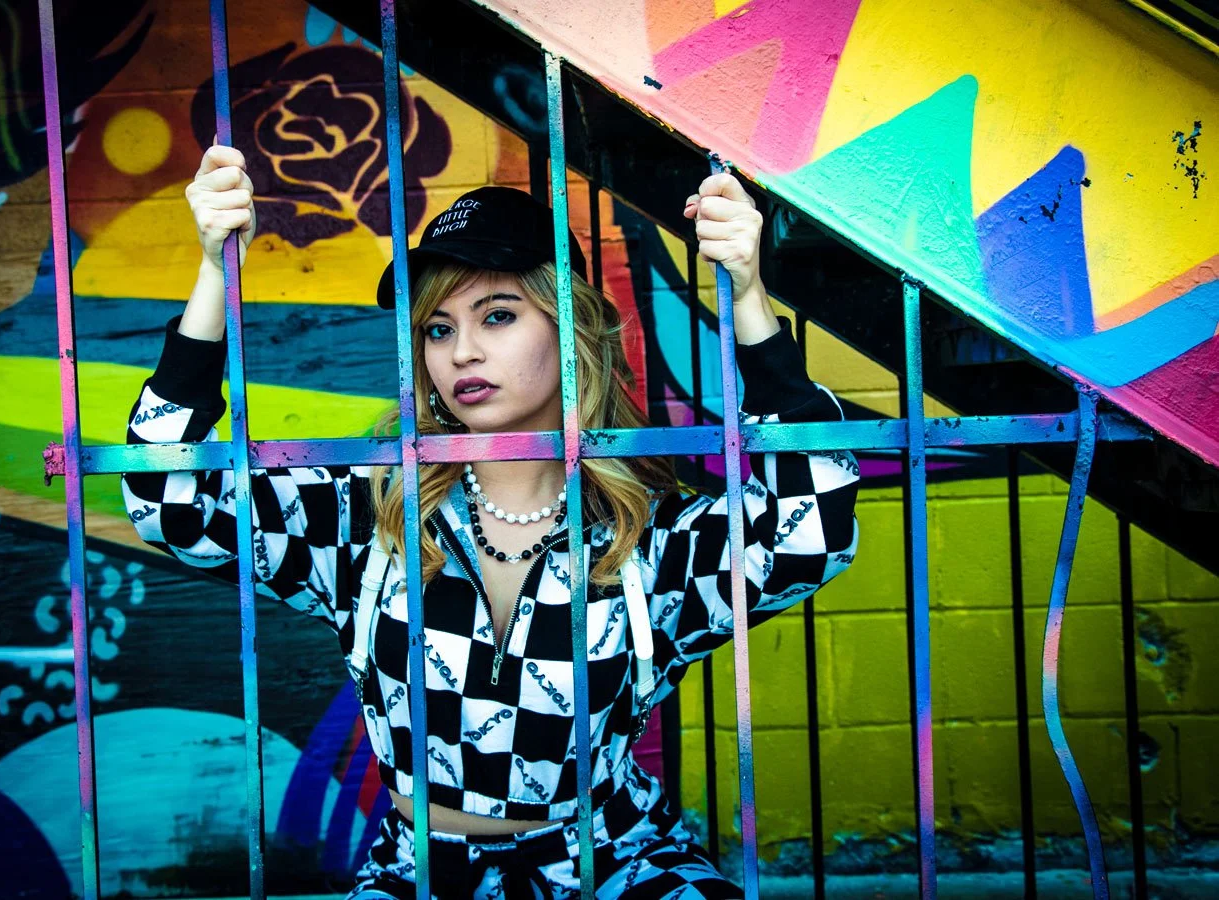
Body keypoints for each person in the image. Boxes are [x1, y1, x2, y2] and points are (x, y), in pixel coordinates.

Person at [120, 143, 861, 899]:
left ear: (569, 327)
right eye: (437, 329)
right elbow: (168, 504)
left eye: (497, 315)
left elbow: (811, 533)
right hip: (419, 872)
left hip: (615, 860)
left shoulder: (649, 542)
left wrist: (745, 294)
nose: (462, 352)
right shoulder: (371, 517)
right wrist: (214, 270)